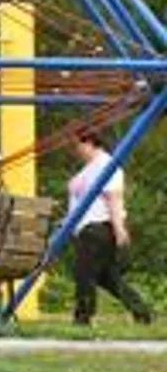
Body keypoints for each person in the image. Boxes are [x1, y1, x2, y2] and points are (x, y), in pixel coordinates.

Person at [67, 130, 154, 326]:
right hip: (86, 229)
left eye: (77, 145)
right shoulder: (89, 168)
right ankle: (142, 311)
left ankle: (83, 318)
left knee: (84, 273)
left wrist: (119, 229)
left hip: (98, 228)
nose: (74, 151)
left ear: (89, 142)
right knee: (107, 278)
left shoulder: (107, 165)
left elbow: (113, 198)